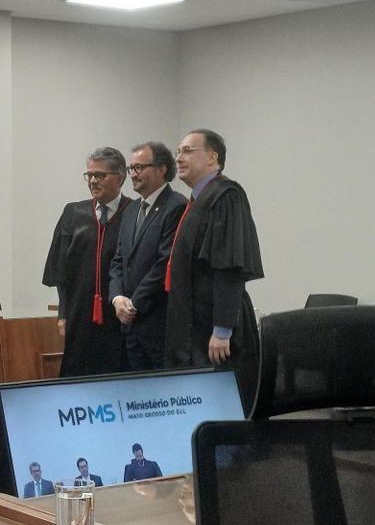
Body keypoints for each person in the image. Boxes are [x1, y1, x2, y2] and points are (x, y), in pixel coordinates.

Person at [163, 128, 263, 413]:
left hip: (215, 330)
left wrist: (222, 329)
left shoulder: (227, 196)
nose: (179, 158)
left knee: (222, 406)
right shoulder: (199, 199)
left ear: (212, 158)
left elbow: (229, 265)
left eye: (187, 151)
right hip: (194, 323)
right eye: (178, 152)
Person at [43, 147, 131, 376]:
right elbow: (61, 270)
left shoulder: (134, 213)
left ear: (120, 178)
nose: (92, 181)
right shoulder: (74, 213)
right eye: (89, 175)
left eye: (100, 175)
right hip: (79, 314)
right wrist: (63, 314)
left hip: (120, 316)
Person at [109, 141, 187, 370]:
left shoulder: (176, 206)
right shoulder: (131, 210)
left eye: (139, 168)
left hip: (159, 325)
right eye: (131, 168)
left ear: (162, 169)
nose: (133, 174)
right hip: (130, 326)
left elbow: (165, 264)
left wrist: (134, 304)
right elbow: (119, 260)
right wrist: (117, 298)